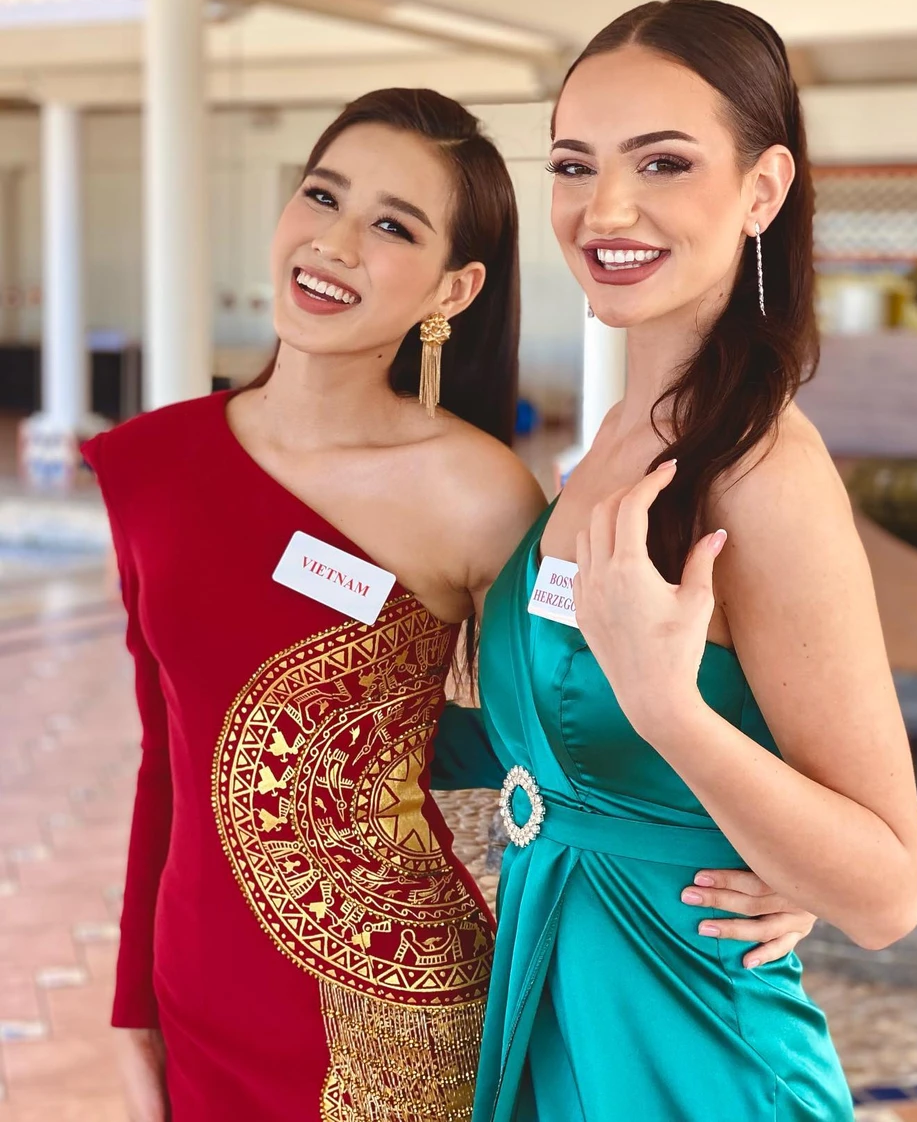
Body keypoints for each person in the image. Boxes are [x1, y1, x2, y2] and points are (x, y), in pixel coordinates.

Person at [86, 85, 823, 1122]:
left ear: (453, 287)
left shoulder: (479, 495)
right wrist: (134, 1005)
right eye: (322, 195)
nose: (336, 242)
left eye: (393, 226)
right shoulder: (149, 465)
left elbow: (571, 717)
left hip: (400, 1016)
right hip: (197, 991)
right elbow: (167, 750)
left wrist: (777, 858)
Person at [466, 0, 917, 1122]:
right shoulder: (618, 437)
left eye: (662, 163)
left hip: (697, 1060)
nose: (605, 209)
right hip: (560, 1006)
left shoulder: (762, 471)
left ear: (762, 190)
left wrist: (672, 711)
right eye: (574, 165)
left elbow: (885, 892)